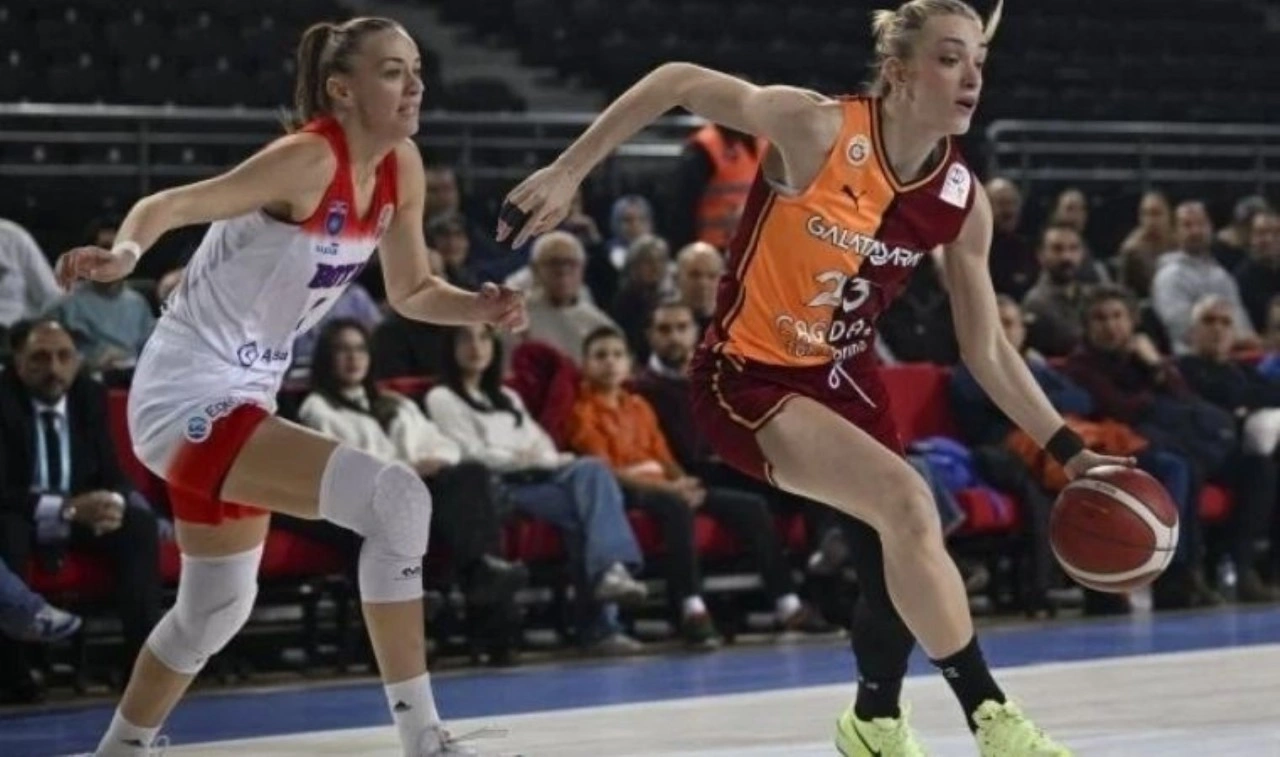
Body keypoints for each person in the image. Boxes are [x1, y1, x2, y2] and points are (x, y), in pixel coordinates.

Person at [497, 1, 1132, 754]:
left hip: (845, 380)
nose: (971, 78)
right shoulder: (816, 129)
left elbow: (987, 348)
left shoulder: (963, 201)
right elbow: (676, 79)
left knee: (901, 563)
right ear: (898, 72)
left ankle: (873, 724)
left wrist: (1069, 449)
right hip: (746, 376)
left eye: (979, 62)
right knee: (908, 502)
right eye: (949, 58)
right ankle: (993, 720)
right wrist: (569, 170)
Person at [54, 17, 524, 757]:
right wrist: (125, 254)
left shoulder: (400, 165)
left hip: (247, 393)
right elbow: (173, 204)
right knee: (397, 501)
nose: (415, 85)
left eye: (416, 69)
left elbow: (411, 289)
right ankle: (424, 739)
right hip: (186, 393)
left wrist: (479, 308)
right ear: (343, 89)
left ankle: (119, 748)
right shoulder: (307, 159)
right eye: (393, 71)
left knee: (215, 607)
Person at [292, 319, 529, 659]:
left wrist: (434, 461)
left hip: (417, 487)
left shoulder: (396, 402)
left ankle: (482, 582)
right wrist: (408, 467)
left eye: (359, 349)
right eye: (342, 350)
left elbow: (445, 445)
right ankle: (470, 584)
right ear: (326, 359)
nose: (353, 358)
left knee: (471, 475)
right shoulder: (318, 408)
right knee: (408, 505)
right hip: (368, 497)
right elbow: (349, 465)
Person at [426, 324, 649, 655]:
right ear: (450, 348)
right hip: (497, 488)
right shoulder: (442, 397)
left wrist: (531, 457)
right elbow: (469, 453)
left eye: (484, 338)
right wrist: (521, 456)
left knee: (592, 473)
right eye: (465, 339)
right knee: (587, 509)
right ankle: (602, 624)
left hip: (539, 478)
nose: (476, 346)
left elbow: (542, 444)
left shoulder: (507, 396)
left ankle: (610, 578)